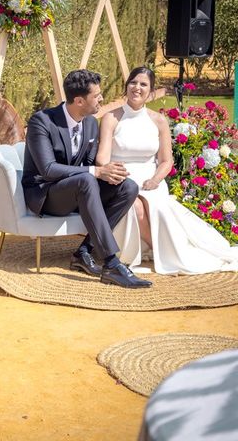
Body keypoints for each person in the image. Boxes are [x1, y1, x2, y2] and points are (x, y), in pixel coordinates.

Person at [98, 66, 238, 274]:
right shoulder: (111, 118)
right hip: (119, 179)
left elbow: (166, 161)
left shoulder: (159, 121)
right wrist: (110, 170)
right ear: (126, 86)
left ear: (151, 91)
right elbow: (102, 156)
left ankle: (172, 250)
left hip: (151, 179)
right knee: (134, 207)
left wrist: (155, 180)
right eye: (133, 83)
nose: (137, 88)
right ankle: (164, 250)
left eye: (143, 84)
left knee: (158, 207)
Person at [21, 69, 152, 288]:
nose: (102, 98)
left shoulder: (90, 122)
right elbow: (48, 169)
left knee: (127, 187)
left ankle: (84, 251)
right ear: (79, 100)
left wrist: (109, 172)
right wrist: (96, 172)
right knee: (88, 179)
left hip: (78, 189)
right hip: (47, 195)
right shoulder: (41, 121)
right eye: (97, 95)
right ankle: (111, 264)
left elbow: (90, 164)